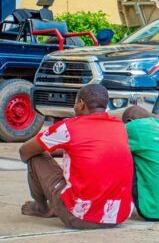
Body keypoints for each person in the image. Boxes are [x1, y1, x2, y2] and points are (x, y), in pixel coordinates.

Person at [18, 84, 133, 229]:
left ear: (81, 104)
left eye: (75, 102)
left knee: (35, 157)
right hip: (118, 216)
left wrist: (44, 153)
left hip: (79, 217)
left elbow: (24, 151)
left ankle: (42, 208)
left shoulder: (68, 126)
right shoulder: (119, 126)